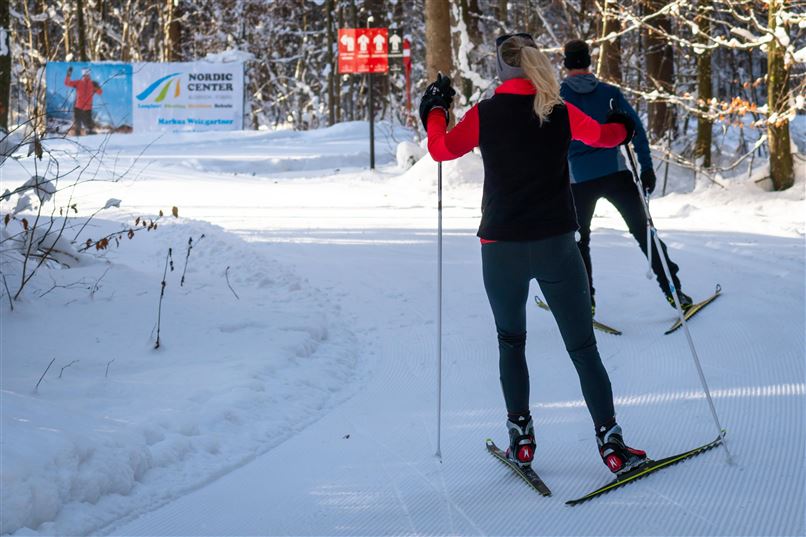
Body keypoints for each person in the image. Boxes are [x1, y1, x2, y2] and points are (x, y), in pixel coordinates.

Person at [420, 33, 647, 476]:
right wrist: (623, 125)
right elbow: (604, 137)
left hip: (500, 249)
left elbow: (440, 149)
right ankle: (611, 442)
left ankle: (521, 439)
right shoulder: (558, 110)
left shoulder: (486, 114)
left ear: (500, 69)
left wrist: (435, 110)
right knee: (582, 346)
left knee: (511, 341)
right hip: (557, 246)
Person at [560, 39, 692, 313]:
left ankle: (587, 302)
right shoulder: (609, 93)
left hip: (578, 181)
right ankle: (673, 291)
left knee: (579, 241)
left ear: (565, 63)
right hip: (615, 174)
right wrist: (646, 168)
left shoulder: (558, 96)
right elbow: (636, 131)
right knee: (644, 231)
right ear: (587, 60)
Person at [64, 66, 102, 135]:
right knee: (78, 127)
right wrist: (68, 74)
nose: (86, 75)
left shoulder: (92, 84)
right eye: (85, 74)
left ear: (89, 74)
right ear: (83, 74)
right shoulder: (79, 82)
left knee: (89, 127)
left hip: (87, 109)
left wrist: (97, 86)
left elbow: (100, 92)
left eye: (87, 74)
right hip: (78, 107)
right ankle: (78, 137)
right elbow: (67, 83)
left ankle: (90, 140)